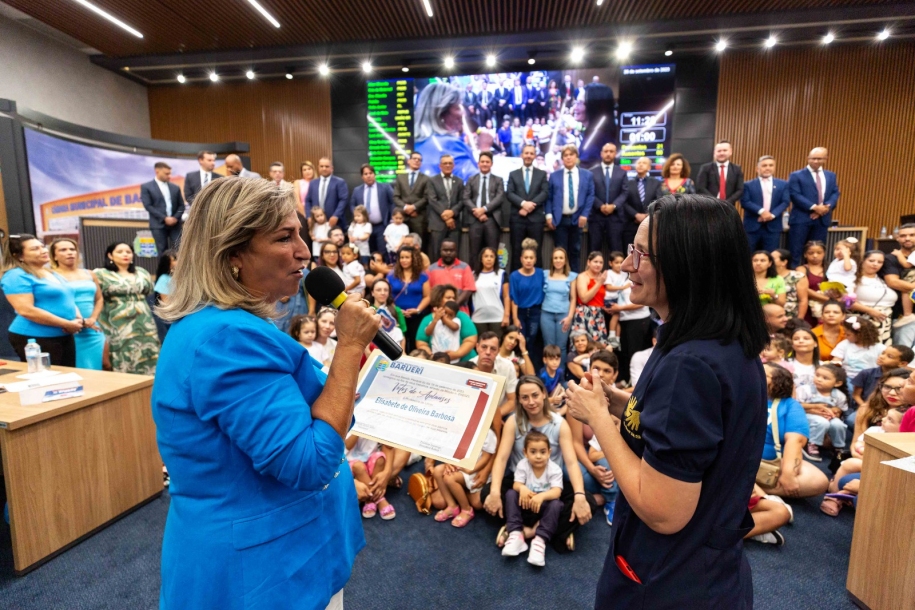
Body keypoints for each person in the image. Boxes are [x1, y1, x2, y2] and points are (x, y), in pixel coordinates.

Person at [152, 177, 380, 609]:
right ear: (232, 253)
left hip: (291, 551)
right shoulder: (225, 339)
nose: (304, 252)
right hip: (261, 576)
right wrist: (350, 347)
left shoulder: (231, 327)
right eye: (283, 237)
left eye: (300, 233)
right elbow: (309, 463)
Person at [564, 194, 769, 607]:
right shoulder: (712, 338)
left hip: (670, 580)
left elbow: (664, 511)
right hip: (702, 569)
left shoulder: (690, 365)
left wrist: (598, 418)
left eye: (640, 255)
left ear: (685, 266)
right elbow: (673, 420)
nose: (625, 266)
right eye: (629, 251)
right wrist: (617, 401)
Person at [484, 376, 594, 554]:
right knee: (488, 494)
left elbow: (572, 463)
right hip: (520, 483)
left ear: (544, 394)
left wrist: (580, 495)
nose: (531, 402)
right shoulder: (513, 421)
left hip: (550, 485)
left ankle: (523, 531)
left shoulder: (559, 424)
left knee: (587, 501)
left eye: (535, 395)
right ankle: (556, 530)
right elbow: (502, 458)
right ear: (519, 399)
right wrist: (495, 492)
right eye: (525, 397)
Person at [1, 234, 81, 366]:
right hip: (35, 338)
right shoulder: (15, 276)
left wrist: (77, 320)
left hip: (64, 334)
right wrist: (66, 324)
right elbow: (26, 310)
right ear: (19, 256)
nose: (43, 251)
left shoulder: (50, 272)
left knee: (67, 380)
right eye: (35, 249)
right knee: (48, 381)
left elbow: (68, 298)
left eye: (42, 247)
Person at [756, 363, 828, 500]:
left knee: (817, 480)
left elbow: (795, 440)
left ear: (778, 382)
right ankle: (754, 491)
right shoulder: (741, 394)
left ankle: (751, 488)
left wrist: (788, 474)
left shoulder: (790, 405)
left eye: (763, 374)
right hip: (736, 456)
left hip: (766, 463)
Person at [500, 430, 564, 566]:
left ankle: (540, 540)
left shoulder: (555, 469)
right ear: (525, 452)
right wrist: (522, 488)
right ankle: (516, 534)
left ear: (549, 452)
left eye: (543, 451)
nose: (538, 456)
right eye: (533, 452)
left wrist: (542, 496)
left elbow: (557, 491)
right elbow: (516, 484)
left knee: (557, 505)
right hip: (526, 504)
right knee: (511, 493)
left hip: (543, 507)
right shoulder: (523, 465)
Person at [94, 242, 159, 375]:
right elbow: (97, 298)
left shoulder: (141, 272)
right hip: (116, 321)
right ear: (110, 255)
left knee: (148, 351)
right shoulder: (101, 274)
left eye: (128, 252)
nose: (125, 254)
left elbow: (149, 292)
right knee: (122, 352)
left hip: (144, 320)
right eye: (120, 252)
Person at [49, 238, 105, 370]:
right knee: (77, 369)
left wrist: (92, 319)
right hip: (70, 328)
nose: (70, 253)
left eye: (72, 249)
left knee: (99, 368)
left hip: (93, 329)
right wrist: (80, 321)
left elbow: (99, 299)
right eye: (63, 250)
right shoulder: (51, 275)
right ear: (54, 256)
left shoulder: (89, 273)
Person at [431, 426, 498, 527]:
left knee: (449, 478)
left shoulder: (488, 434)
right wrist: (449, 461)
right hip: (461, 465)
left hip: (476, 471)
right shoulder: (461, 428)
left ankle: (467, 510)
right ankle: (452, 506)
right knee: (437, 471)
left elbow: (486, 457)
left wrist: (471, 469)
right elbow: (451, 448)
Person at [787, 147, 841, 266]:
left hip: (822, 219)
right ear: (808, 158)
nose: (816, 161)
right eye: (813, 158)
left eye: (819, 159)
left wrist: (826, 207)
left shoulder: (831, 175)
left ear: (826, 159)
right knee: (796, 252)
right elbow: (794, 194)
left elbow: (835, 193)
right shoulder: (796, 175)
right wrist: (814, 207)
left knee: (817, 251)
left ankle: (814, 278)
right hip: (801, 219)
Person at [414, 82, 477, 180]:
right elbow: (479, 187)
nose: (463, 113)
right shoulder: (450, 146)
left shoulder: (412, 145)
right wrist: (485, 149)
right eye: (457, 108)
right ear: (441, 113)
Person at [547, 145, 594, 269]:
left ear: (576, 157)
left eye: (571, 155)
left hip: (578, 218)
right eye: (565, 155)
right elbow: (549, 197)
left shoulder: (586, 175)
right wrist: (548, 215)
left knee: (575, 250)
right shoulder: (554, 175)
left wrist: (585, 214)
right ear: (562, 158)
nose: (568, 158)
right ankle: (561, 280)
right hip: (559, 219)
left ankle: (574, 280)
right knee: (560, 252)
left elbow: (590, 196)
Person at [506, 144, 550, 270]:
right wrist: (523, 204)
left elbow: (545, 193)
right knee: (516, 252)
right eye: (526, 153)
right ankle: (515, 284)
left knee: (536, 252)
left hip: (536, 220)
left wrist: (529, 206)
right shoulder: (513, 174)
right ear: (521, 155)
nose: (529, 156)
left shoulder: (541, 174)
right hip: (517, 220)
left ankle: (536, 284)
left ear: (535, 156)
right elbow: (509, 193)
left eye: (531, 153)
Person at [795, 363, 850, 460]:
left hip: (828, 416)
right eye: (817, 375)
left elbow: (841, 409)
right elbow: (796, 405)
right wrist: (814, 406)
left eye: (825, 378)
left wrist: (835, 411)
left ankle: (838, 447)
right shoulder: (805, 389)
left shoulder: (839, 395)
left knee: (838, 424)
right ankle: (812, 444)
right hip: (807, 415)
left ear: (837, 383)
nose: (819, 379)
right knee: (821, 422)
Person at [415, 284, 478, 364]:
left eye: (453, 298)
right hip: (438, 363)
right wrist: (431, 356)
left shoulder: (462, 317)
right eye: (448, 298)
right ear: (438, 299)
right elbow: (422, 342)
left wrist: (457, 354)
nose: (452, 300)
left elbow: (470, 340)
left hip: (465, 362)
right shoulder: (428, 319)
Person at [742, 156, 790, 252]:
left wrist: (771, 215)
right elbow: (745, 202)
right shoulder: (747, 185)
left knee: (770, 256)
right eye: (764, 165)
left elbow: (785, 202)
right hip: (752, 227)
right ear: (757, 169)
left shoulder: (783, 184)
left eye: (771, 165)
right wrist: (762, 212)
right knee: (747, 255)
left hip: (773, 227)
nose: (768, 168)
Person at [387, 246, 430, 352]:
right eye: (401, 257)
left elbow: (427, 296)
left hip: (417, 316)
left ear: (413, 259)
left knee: (415, 343)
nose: (404, 260)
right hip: (397, 315)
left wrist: (418, 310)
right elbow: (386, 295)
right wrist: (396, 310)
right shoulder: (391, 275)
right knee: (399, 342)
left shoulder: (422, 276)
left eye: (407, 257)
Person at [589, 143, 629, 255]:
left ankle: (618, 273)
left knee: (617, 251)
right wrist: (600, 205)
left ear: (615, 154)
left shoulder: (622, 172)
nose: (608, 154)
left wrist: (614, 206)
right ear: (601, 154)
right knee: (594, 250)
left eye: (611, 151)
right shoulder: (592, 172)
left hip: (615, 217)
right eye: (606, 151)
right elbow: (590, 192)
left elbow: (625, 192)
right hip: (596, 217)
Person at [540, 247, 578, 367]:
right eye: (555, 258)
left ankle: (560, 376)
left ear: (565, 260)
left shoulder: (571, 276)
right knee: (548, 345)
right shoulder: (545, 274)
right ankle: (548, 376)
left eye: (561, 258)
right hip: (546, 314)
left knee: (561, 347)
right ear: (552, 260)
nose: (558, 260)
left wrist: (569, 317)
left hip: (563, 315)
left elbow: (573, 298)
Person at [850, 250, 897, 344]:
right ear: (863, 260)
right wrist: (871, 311)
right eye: (871, 261)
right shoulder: (853, 278)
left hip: (886, 321)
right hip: (865, 319)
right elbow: (846, 302)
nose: (875, 264)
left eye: (880, 262)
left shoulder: (883, 279)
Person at [609, 285, 652, 386]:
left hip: (639, 320)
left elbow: (643, 301)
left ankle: (637, 384)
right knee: (624, 353)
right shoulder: (621, 279)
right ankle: (627, 381)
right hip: (624, 320)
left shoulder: (637, 278)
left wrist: (620, 308)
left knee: (635, 353)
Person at [462, 151, 505, 255]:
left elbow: (499, 198)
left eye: (487, 162)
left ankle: (493, 272)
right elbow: (465, 198)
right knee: (474, 252)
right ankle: (475, 272)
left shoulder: (498, 180)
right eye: (482, 162)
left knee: (492, 252)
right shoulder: (471, 179)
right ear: (478, 163)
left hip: (492, 220)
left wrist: (484, 209)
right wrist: (477, 212)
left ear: (491, 164)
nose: (485, 164)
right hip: (475, 219)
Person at [345, 434, 395, 521]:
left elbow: (388, 446)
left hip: (370, 459)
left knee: (380, 459)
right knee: (358, 466)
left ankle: (371, 497)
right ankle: (378, 499)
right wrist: (358, 429)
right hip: (351, 462)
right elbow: (346, 446)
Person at [510, 240, 545, 359]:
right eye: (526, 257)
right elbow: (513, 297)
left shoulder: (541, 274)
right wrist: (515, 318)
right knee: (520, 340)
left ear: (535, 259)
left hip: (535, 312)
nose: (528, 260)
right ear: (521, 259)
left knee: (532, 340)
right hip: (520, 312)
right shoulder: (514, 276)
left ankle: (530, 368)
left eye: (531, 258)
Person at [141, 162, 185, 256]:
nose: (169, 176)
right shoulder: (146, 187)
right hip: (158, 225)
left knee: (182, 249)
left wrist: (175, 218)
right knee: (162, 252)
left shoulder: (175, 188)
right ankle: (164, 271)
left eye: (170, 173)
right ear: (157, 171)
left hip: (175, 225)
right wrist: (165, 218)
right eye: (166, 173)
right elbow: (148, 206)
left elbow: (181, 205)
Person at [349, 164, 393, 257]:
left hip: (381, 226)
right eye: (366, 174)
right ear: (362, 176)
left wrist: (391, 220)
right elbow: (352, 204)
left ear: (374, 174)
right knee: (367, 252)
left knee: (382, 251)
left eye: (371, 173)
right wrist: (357, 216)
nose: (368, 175)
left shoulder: (385, 187)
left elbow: (393, 202)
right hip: (363, 227)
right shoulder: (357, 190)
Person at [851, 344, 913, 409]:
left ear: (902, 363)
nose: (881, 357)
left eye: (890, 356)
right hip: (867, 407)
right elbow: (856, 395)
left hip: (894, 410)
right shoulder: (866, 373)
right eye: (883, 353)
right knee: (850, 419)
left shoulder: (906, 378)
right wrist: (864, 407)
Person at [427, 155, 464, 258]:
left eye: (450, 163)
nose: (448, 165)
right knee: (436, 254)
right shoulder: (432, 181)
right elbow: (432, 200)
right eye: (445, 163)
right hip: (437, 223)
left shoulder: (459, 181)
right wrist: (446, 217)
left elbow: (462, 200)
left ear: (454, 165)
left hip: (454, 224)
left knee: (454, 254)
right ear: (440, 166)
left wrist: (452, 212)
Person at [830, 316, 885, 384]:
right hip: (849, 377)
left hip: (871, 379)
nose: (845, 336)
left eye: (848, 334)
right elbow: (836, 360)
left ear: (860, 335)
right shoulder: (844, 344)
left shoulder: (879, 348)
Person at [426, 239, 476, 310]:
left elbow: (468, 289)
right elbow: (428, 292)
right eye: (445, 250)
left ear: (456, 251)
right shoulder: (431, 269)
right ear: (440, 250)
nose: (448, 253)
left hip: (460, 311)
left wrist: (453, 306)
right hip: (438, 312)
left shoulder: (465, 267)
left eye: (452, 250)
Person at [884, 223, 915, 335]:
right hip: (901, 316)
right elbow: (893, 282)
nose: (907, 238)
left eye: (912, 235)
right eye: (903, 236)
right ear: (897, 238)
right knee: (903, 350)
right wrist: (912, 286)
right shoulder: (891, 258)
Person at [471, 247, 509, 337]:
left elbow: (506, 296)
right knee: (481, 346)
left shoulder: (501, 274)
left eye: (492, 256)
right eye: (486, 256)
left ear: (495, 259)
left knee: (496, 345)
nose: (489, 259)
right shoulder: (473, 275)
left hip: (497, 317)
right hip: (478, 318)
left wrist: (506, 316)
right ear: (481, 259)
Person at [572, 251, 608, 345]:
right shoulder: (582, 276)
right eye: (595, 262)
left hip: (599, 314)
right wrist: (599, 283)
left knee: (600, 345)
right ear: (589, 262)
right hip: (584, 312)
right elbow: (584, 298)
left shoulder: (603, 277)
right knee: (582, 344)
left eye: (601, 262)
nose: (598, 265)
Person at [623, 157, 659, 248]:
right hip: (631, 223)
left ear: (649, 168)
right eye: (638, 163)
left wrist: (647, 215)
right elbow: (624, 201)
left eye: (644, 163)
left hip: (650, 223)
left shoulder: (655, 183)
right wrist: (635, 215)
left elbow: (659, 200)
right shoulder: (628, 183)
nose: (641, 164)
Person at [695, 140, 745, 206]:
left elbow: (740, 189)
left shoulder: (736, 169)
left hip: (729, 207)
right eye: (719, 151)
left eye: (725, 150)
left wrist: (727, 202)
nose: (721, 153)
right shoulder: (705, 168)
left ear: (730, 152)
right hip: (709, 206)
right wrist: (715, 201)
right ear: (714, 153)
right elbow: (700, 187)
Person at [393, 152, 431, 237]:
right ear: (409, 161)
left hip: (419, 217)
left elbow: (426, 198)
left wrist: (414, 207)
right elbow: (396, 197)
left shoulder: (426, 179)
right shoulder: (400, 177)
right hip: (402, 217)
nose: (417, 161)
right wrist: (406, 208)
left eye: (419, 160)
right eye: (414, 159)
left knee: (419, 244)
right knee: (402, 244)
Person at [305, 157, 349, 230]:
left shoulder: (340, 182)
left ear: (332, 168)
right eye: (321, 166)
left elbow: (343, 200)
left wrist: (336, 215)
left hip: (335, 222)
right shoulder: (313, 183)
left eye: (327, 166)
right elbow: (308, 200)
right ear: (318, 168)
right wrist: (308, 216)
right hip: (316, 223)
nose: (324, 168)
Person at [367, 277, 406, 352]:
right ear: (372, 292)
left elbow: (402, 335)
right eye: (378, 290)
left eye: (386, 290)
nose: (383, 293)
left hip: (393, 348)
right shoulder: (367, 310)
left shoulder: (397, 310)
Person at [796, 240, 829, 326]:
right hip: (808, 308)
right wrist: (826, 299)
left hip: (828, 308)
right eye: (811, 253)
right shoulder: (801, 269)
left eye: (819, 253)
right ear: (805, 254)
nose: (815, 256)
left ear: (824, 253)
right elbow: (804, 290)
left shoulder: (831, 268)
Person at [771, 248, 809, 320]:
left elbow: (803, 300)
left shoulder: (797, 276)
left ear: (784, 262)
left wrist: (799, 320)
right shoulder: (766, 276)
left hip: (790, 316)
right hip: (769, 316)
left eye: (773, 258)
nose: (769, 260)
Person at [787, 326, 821, 393]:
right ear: (792, 345)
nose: (801, 341)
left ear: (815, 343)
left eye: (806, 338)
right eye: (796, 339)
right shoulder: (784, 364)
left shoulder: (824, 366)